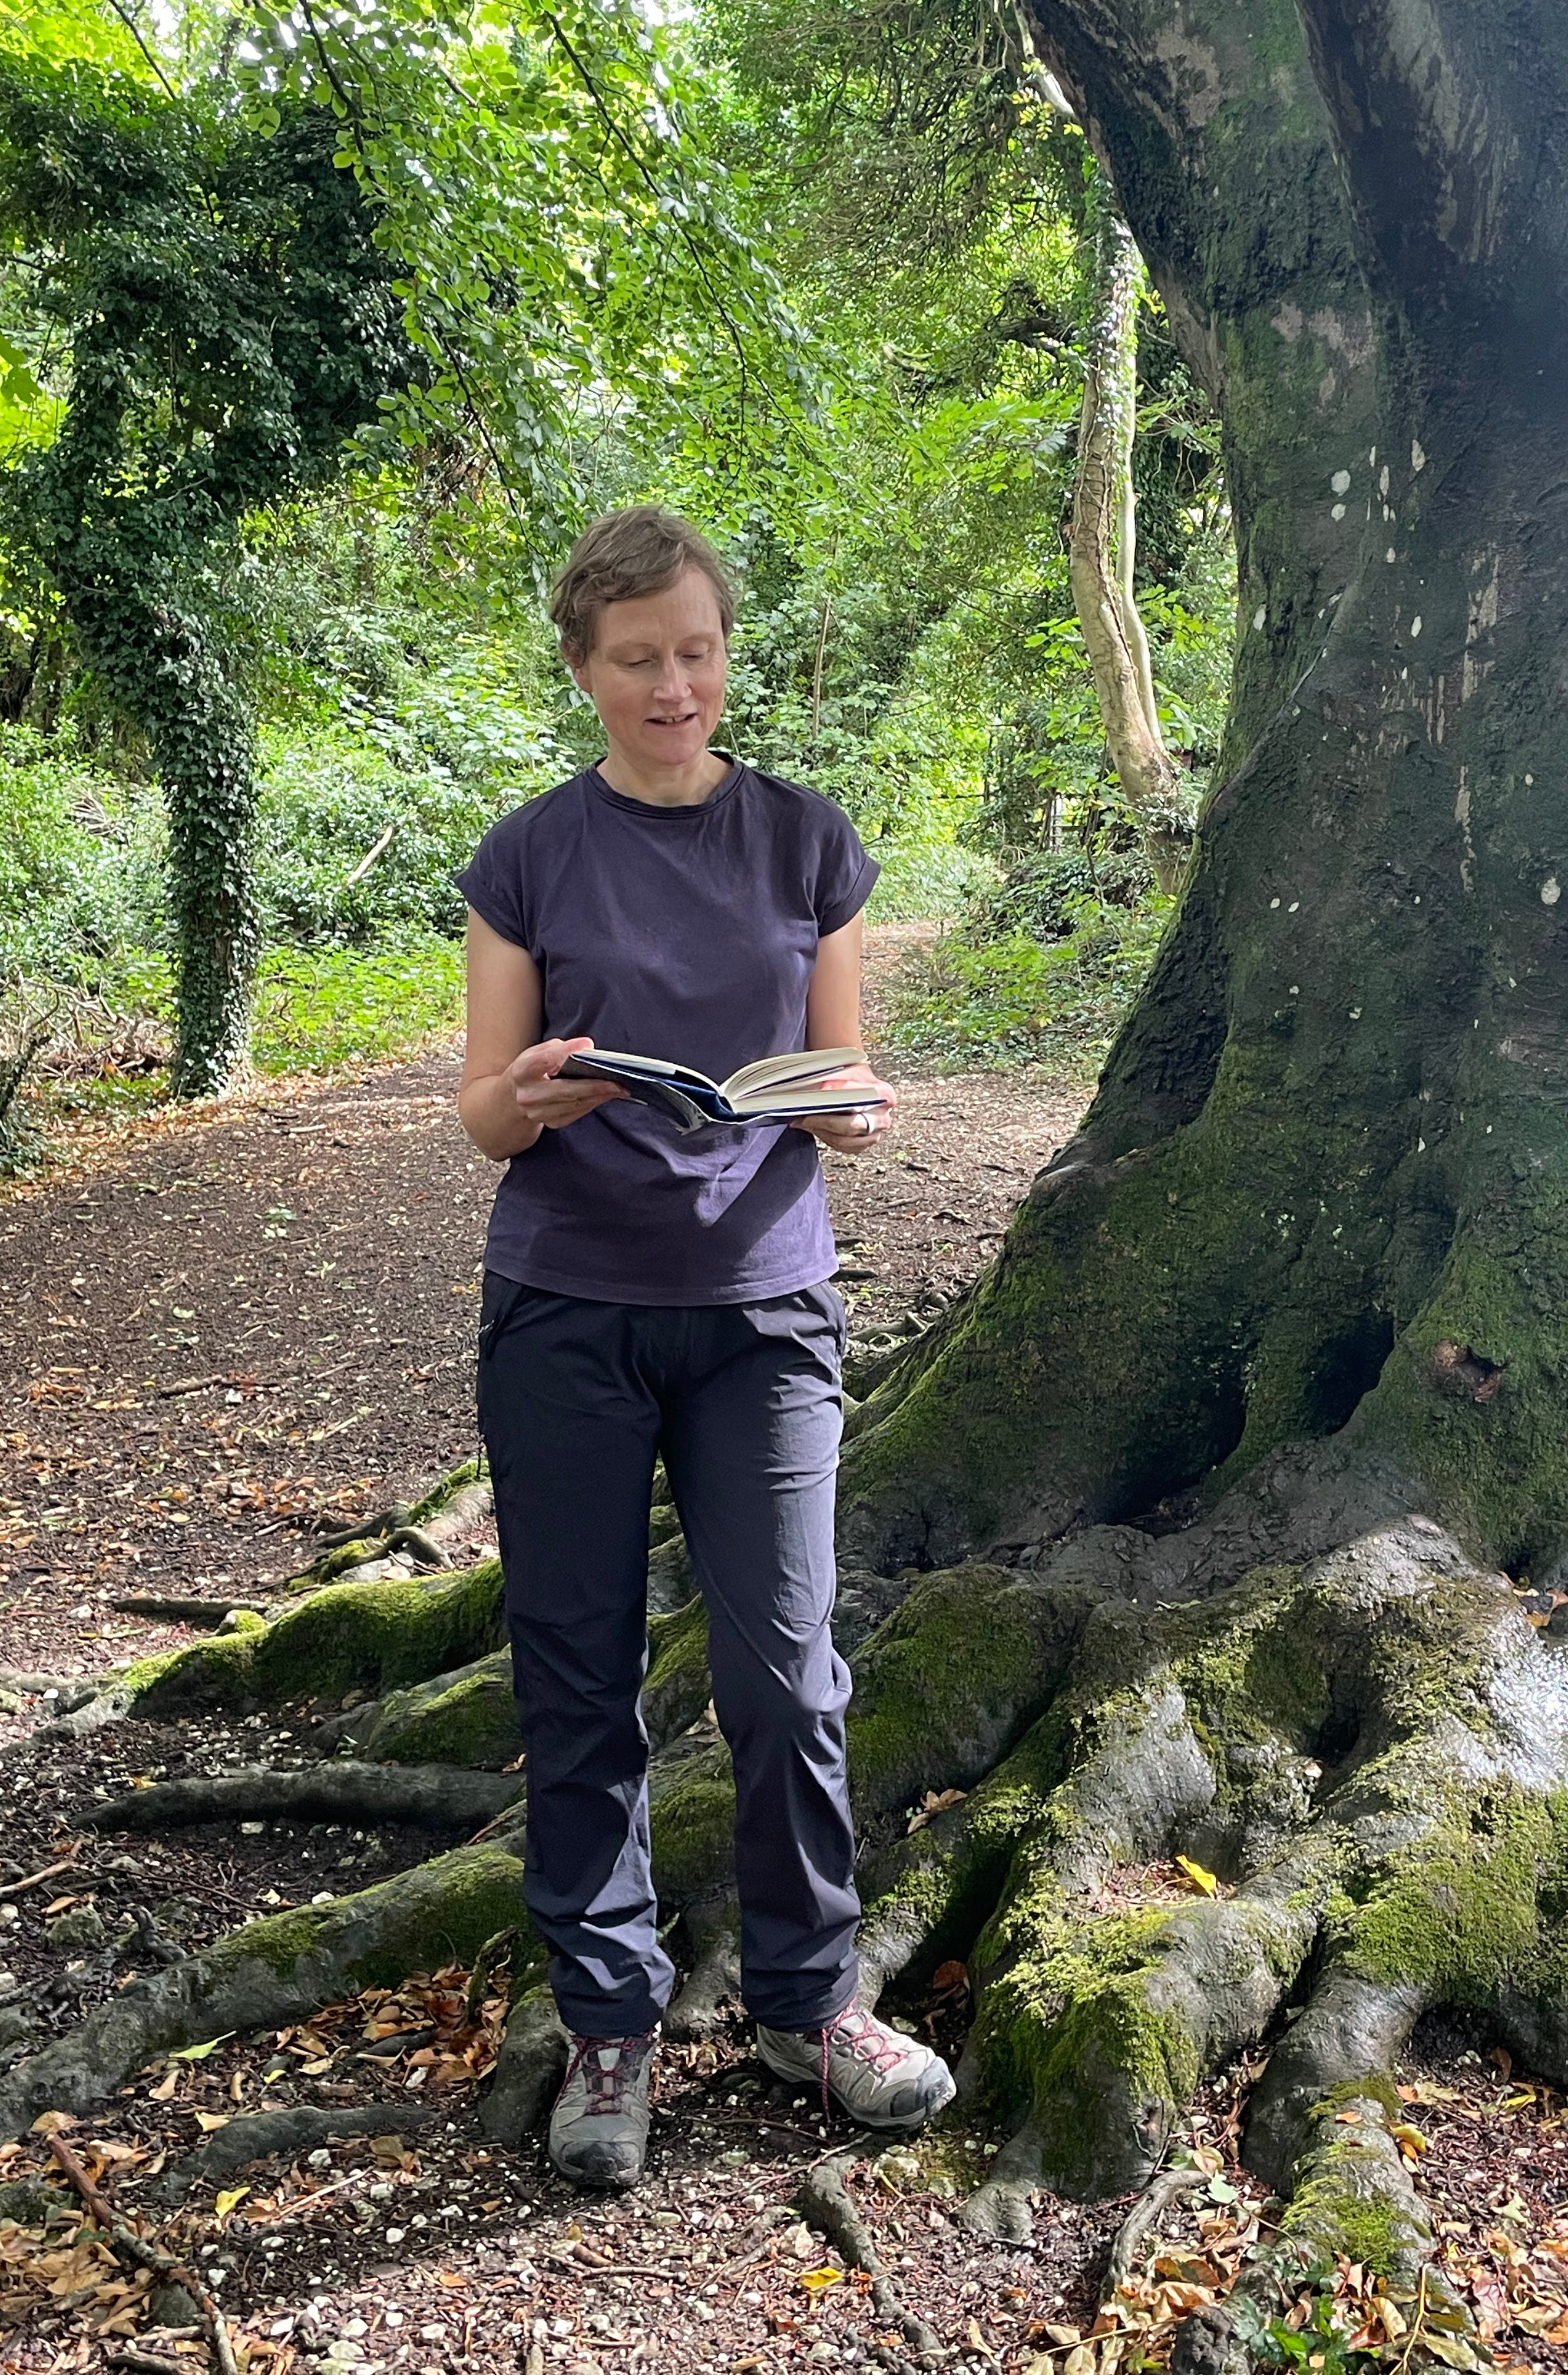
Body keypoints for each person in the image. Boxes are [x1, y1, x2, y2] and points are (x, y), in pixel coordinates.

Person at [454, 505, 955, 2188]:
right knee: (576, 1668)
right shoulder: (530, 855)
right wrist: (532, 1098)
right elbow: (482, 1108)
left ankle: (813, 2002)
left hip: (766, 1312)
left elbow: (843, 1073)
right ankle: (609, 2020)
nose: (674, 685)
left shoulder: (805, 840)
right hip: (567, 1309)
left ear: (726, 650)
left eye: (697, 651)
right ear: (584, 671)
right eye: (637, 659)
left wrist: (854, 1108)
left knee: (788, 1669)